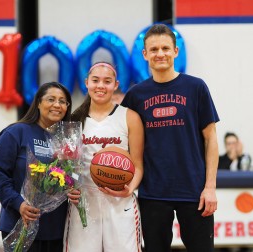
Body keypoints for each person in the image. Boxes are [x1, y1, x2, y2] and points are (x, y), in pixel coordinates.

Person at [121, 24, 219, 252]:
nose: (160, 53)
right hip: (153, 192)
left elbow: (211, 138)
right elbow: (125, 140)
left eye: (166, 48)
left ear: (176, 51)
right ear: (145, 54)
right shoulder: (136, 95)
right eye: (153, 49)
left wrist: (210, 187)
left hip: (194, 190)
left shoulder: (196, 87)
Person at [64, 62, 144, 252]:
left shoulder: (130, 117)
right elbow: (67, 167)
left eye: (107, 81)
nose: (101, 85)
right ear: (86, 83)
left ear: (115, 85)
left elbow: (138, 164)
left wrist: (129, 188)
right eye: (95, 80)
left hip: (120, 200)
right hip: (83, 201)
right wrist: (68, 187)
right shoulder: (73, 119)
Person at [0, 82, 72, 252]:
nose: (57, 105)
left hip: (56, 229)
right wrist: (18, 204)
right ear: (38, 103)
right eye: (51, 99)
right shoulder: (16, 132)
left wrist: (74, 188)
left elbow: (72, 177)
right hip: (19, 222)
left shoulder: (68, 141)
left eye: (63, 101)